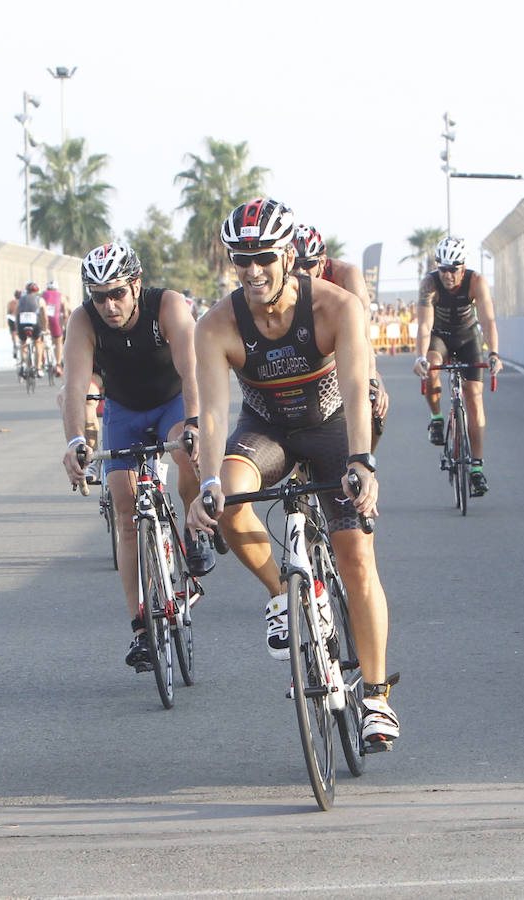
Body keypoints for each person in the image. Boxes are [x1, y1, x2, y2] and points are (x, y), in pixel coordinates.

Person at [187, 199, 399, 749]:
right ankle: (288, 595)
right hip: (267, 431)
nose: (252, 271)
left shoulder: (336, 306)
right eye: (240, 260)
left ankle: (375, 696)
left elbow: (355, 388)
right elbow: (211, 414)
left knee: (355, 556)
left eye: (262, 258)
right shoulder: (216, 324)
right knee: (229, 501)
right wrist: (208, 481)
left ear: (288, 256)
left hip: (330, 427)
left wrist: (361, 461)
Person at [61, 241, 214, 672]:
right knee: (127, 518)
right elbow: (74, 387)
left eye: (117, 294)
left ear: (136, 285)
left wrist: (196, 424)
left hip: (171, 401)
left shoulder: (166, 305)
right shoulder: (83, 321)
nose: (109, 305)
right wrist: (74, 441)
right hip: (124, 411)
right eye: (98, 296)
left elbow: (192, 370)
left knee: (188, 454)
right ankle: (142, 630)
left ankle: (194, 527)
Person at [413, 237, 502, 496]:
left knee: (474, 397)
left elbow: (487, 320)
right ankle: (437, 418)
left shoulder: (476, 282)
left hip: (467, 337)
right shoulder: (430, 284)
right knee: (432, 366)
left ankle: (476, 467)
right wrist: (420, 357)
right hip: (439, 336)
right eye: (443, 269)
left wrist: (494, 353)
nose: (448, 275)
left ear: (463, 268)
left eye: (453, 270)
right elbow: (423, 326)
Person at [291, 225, 388, 450]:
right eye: (295, 265)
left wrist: (371, 379)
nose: (301, 272)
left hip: (341, 350)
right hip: (300, 354)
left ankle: (363, 462)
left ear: (322, 262)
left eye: (309, 264)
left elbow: (363, 334)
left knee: (375, 404)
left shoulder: (346, 275)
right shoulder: (282, 282)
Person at [16, 282, 47, 376]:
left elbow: (16, 313)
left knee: (23, 342)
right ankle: (38, 368)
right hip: (34, 322)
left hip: (22, 322)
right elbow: (44, 315)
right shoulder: (39, 299)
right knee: (38, 342)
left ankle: (23, 364)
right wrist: (45, 327)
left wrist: (17, 327)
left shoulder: (21, 299)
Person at [42, 280, 67, 376]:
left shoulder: (42, 295)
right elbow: (65, 312)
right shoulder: (61, 296)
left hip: (44, 320)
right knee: (58, 341)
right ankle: (58, 364)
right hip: (56, 319)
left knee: (40, 341)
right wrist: (65, 324)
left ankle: (42, 359)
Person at [7, 290, 22, 359]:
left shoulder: (11, 303)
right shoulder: (22, 302)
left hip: (12, 318)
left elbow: (8, 312)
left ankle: (15, 344)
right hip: (20, 318)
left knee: (13, 333)